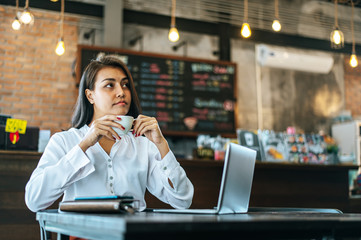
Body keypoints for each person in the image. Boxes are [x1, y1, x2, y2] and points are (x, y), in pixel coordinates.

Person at [25, 55, 194, 212]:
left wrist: (162, 145)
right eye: (109, 85)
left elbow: (183, 200)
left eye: (125, 84)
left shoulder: (143, 146)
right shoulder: (64, 141)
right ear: (90, 95)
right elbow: (34, 200)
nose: (121, 92)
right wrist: (84, 145)